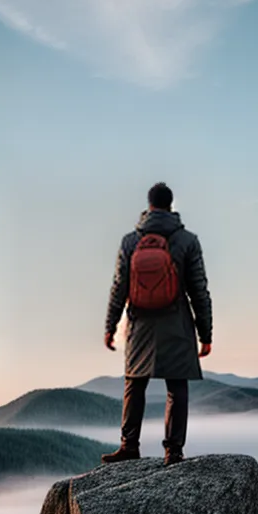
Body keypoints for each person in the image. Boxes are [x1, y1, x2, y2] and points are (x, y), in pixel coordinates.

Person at [101, 182, 213, 466]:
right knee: (176, 385)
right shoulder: (188, 241)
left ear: (149, 206)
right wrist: (205, 332)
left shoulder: (130, 241)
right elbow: (199, 289)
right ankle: (173, 450)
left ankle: (128, 446)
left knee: (134, 383)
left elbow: (119, 287)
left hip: (139, 322)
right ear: (171, 205)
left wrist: (110, 326)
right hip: (177, 320)